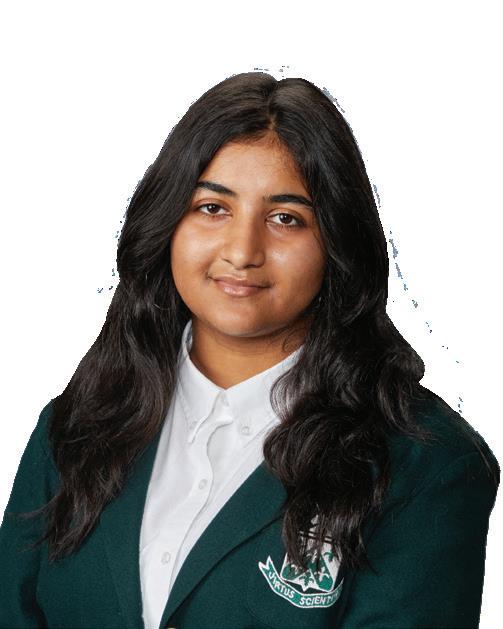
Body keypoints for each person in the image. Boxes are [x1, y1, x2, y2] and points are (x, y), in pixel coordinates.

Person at [0, 71, 499, 629]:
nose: (242, 251)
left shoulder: (427, 466)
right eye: (212, 208)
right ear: (167, 223)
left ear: (336, 242)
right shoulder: (74, 427)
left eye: (286, 218)